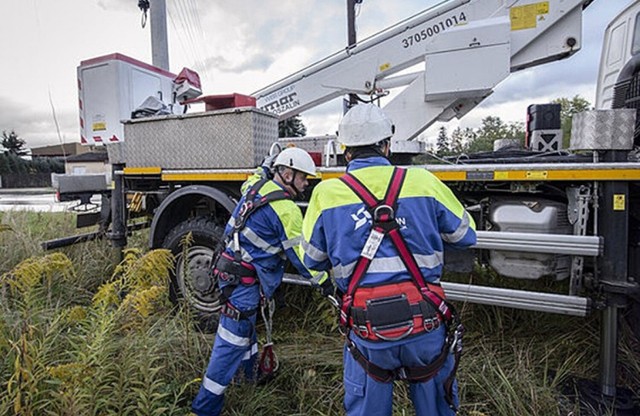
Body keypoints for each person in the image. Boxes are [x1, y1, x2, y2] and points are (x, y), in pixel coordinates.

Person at [302, 103, 476, 416]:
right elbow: (466, 237)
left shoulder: (326, 194)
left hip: (368, 331)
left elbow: (311, 259)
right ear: (386, 145)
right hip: (425, 324)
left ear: (346, 152)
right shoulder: (423, 181)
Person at [192, 147, 328, 416]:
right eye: (303, 177)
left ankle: (250, 377)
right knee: (230, 343)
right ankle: (204, 407)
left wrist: (268, 164)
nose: (306, 183)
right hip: (243, 284)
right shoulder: (287, 210)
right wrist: (326, 283)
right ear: (287, 174)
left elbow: (255, 174)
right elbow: (302, 259)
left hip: (229, 274)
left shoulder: (255, 186)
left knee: (246, 329)